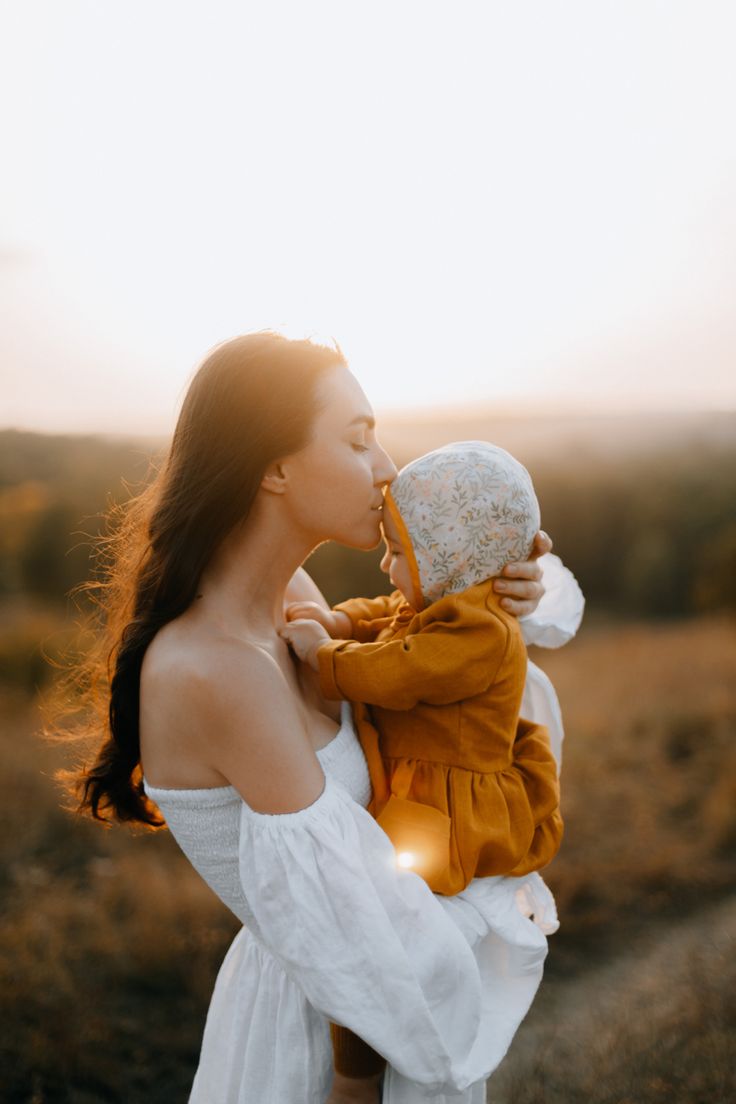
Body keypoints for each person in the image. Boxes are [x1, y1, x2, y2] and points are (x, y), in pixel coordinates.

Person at [60, 332, 584, 1104]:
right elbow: (355, 915)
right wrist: (353, 1086)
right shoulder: (213, 669)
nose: (388, 469)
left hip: (393, 1003)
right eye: (358, 440)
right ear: (273, 467)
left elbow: (458, 651)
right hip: (327, 1034)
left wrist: (504, 585)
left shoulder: (300, 605)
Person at [281, 440, 567, 1083]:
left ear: (452, 558)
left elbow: (399, 670)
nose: (385, 565)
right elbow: (386, 620)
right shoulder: (437, 604)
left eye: (399, 552)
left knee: (386, 926)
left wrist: (322, 654)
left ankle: (361, 1071)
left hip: (445, 814)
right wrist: (338, 619)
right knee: (376, 915)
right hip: (415, 792)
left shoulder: (480, 633)